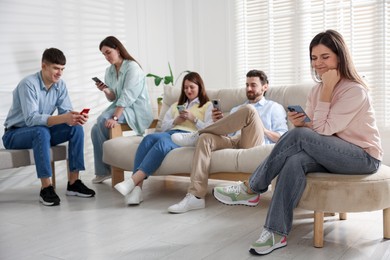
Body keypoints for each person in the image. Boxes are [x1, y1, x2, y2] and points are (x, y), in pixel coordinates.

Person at [213, 30, 383, 256]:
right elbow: (314, 130)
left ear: (339, 57)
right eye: (314, 58)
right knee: (295, 161)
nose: (318, 63)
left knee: (299, 136)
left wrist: (328, 90)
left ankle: (252, 188)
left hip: (362, 158)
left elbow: (322, 130)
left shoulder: (354, 90)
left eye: (325, 57)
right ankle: (275, 232)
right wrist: (301, 121)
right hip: (332, 152)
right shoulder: (317, 90)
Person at [168, 70, 288, 213]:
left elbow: (284, 138)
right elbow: (227, 134)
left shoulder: (274, 107)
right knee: (205, 139)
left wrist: (263, 129)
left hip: (255, 141)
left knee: (249, 110)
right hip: (233, 141)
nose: (249, 89)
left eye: (253, 85)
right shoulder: (237, 108)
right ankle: (196, 197)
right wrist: (218, 122)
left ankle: (197, 133)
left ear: (265, 87)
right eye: (247, 85)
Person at [2, 48, 96, 206]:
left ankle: (73, 183)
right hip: (15, 134)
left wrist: (74, 117)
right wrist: (64, 117)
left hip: (42, 131)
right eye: (56, 68)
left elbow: (65, 112)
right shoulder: (28, 84)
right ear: (44, 66)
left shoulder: (60, 85)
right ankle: (46, 188)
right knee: (40, 131)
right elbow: (32, 119)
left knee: (76, 128)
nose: (60, 73)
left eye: (62, 69)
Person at [113, 72, 214, 205]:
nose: (188, 90)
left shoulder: (207, 105)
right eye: (185, 87)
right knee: (148, 139)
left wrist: (193, 119)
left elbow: (209, 128)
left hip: (188, 136)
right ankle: (138, 189)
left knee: (162, 143)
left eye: (192, 87)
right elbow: (163, 127)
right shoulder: (176, 105)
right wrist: (175, 120)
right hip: (171, 131)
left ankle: (132, 181)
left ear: (199, 87)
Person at [91, 36, 153, 184]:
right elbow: (114, 97)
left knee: (104, 120)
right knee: (95, 129)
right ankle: (104, 171)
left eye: (108, 52)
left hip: (135, 108)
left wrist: (115, 118)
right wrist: (105, 90)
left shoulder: (132, 68)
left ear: (117, 49)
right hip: (120, 106)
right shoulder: (110, 70)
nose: (106, 57)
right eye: (104, 54)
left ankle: (111, 168)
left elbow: (127, 96)